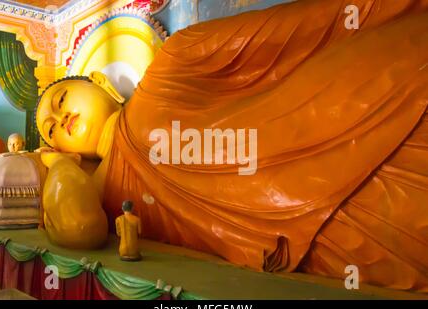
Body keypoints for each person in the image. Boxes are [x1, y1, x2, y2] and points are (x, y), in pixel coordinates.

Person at [35, 0, 428, 292]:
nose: (59, 121)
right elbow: (79, 226)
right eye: (50, 131)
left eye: (61, 101)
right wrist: (61, 166)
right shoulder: (101, 192)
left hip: (344, 116)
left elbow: (300, 31)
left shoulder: (172, 64)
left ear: (100, 83)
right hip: (320, 239)